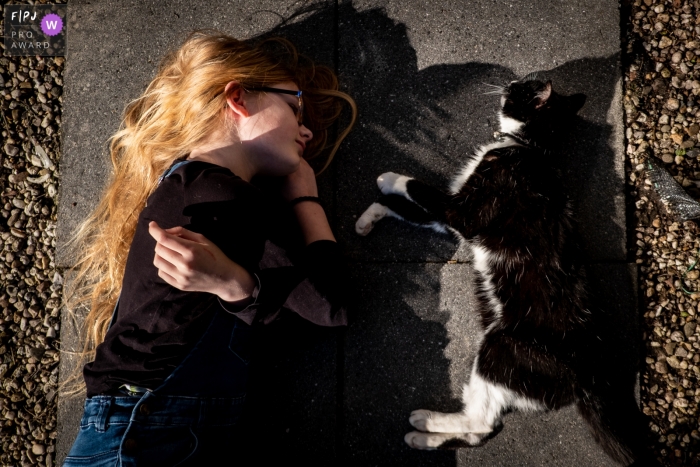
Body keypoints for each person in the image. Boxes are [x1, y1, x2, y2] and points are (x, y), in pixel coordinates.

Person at [62, 29, 356, 466]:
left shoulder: (192, 189)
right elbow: (332, 303)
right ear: (238, 98)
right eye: (294, 106)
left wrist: (236, 283)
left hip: (140, 426)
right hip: (149, 430)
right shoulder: (221, 197)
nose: (307, 130)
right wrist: (304, 197)